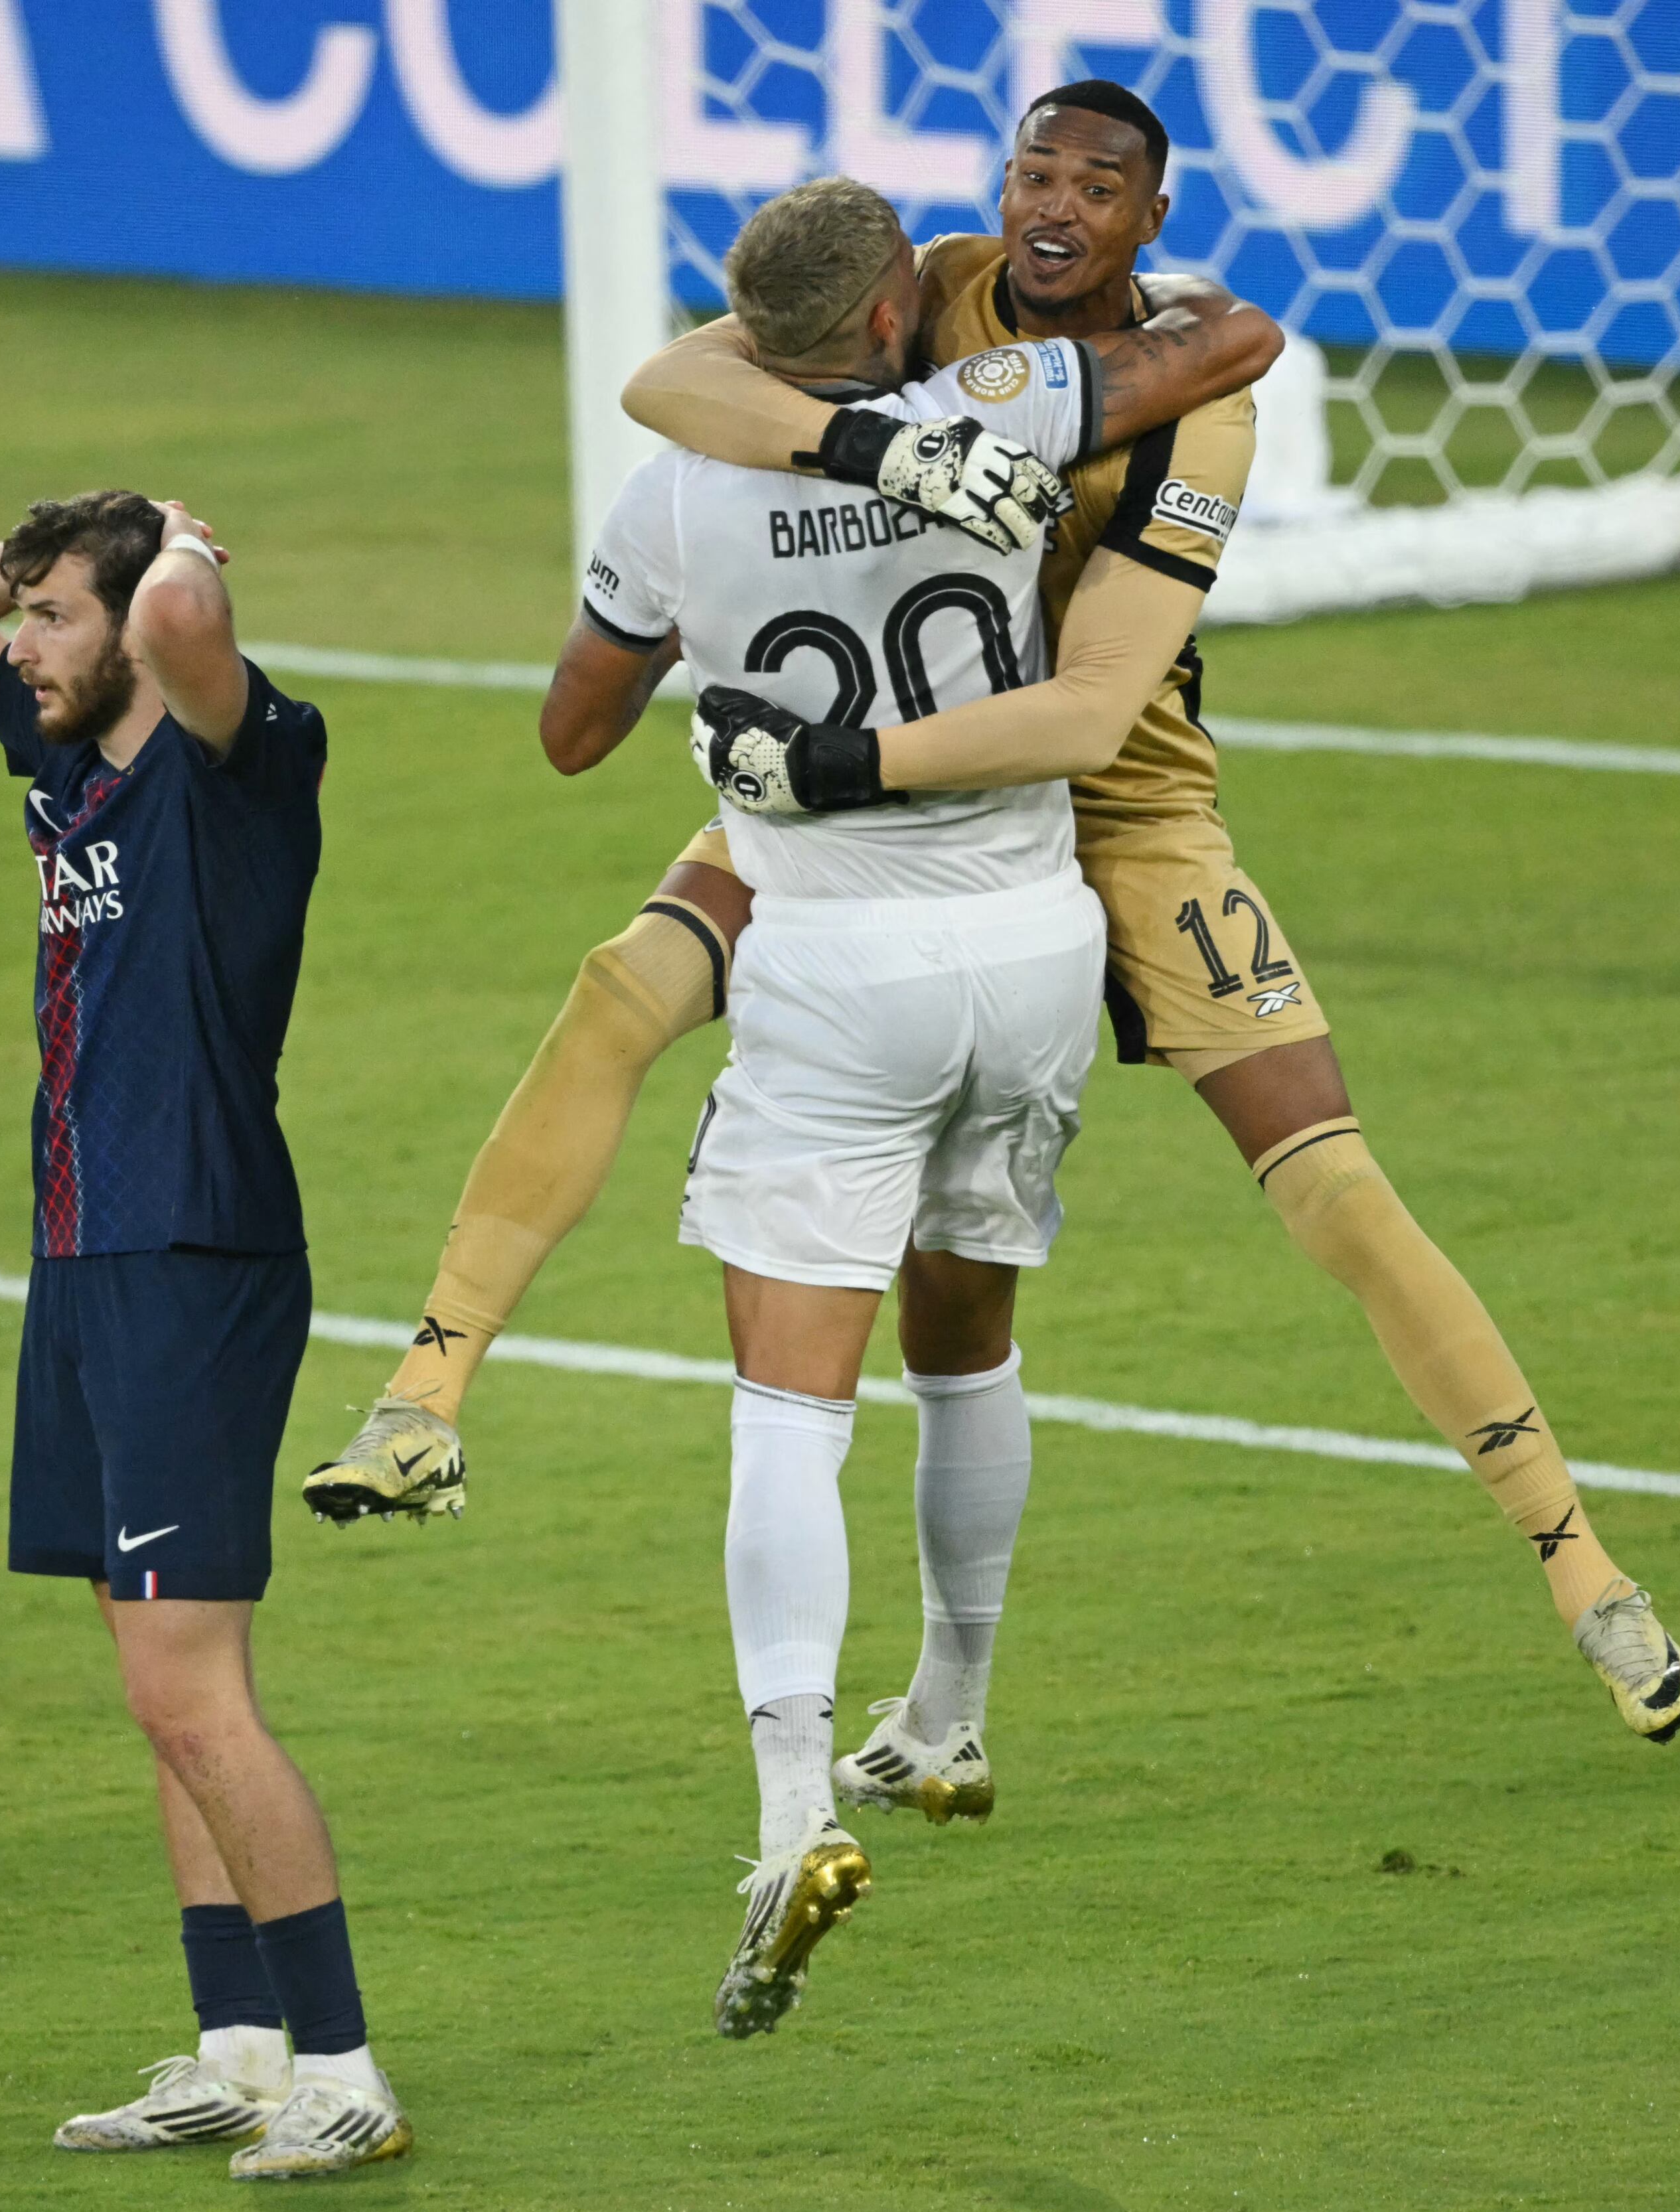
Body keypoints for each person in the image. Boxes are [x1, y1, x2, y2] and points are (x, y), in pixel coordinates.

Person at [316, 81, 1680, 1756]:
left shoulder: (1198, 404)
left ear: (1149, 218)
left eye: (1096, 186)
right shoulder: (937, 287)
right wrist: (870, 440)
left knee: (1330, 1176)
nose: (1053, 205)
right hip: (892, 803)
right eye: (1032, 170)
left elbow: (1097, 706)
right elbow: (675, 376)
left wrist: (832, 760)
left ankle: (1585, 1571)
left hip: (1102, 794)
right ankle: (426, 1391)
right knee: (626, 990)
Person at [521, 175, 1281, 2037]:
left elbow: (573, 727)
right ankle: (947, 1711)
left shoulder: (678, 480)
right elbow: (1221, 343)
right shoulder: (994, 416)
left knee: (791, 1401)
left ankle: (789, 1817)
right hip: (1031, 946)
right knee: (969, 1342)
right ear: (892, 321)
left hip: (839, 959)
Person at [0, 492, 408, 2177]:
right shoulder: (65, 761)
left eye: (46, 620)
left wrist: (171, 545)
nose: (16, 645)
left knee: (194, 1694)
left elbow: (177, 627)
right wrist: (64, 534)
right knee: (156, 1691)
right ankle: (237, 2045)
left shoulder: (243, 766)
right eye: (18, 618)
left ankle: (342, 2062)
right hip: (89, 1253)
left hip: (193, 1248)